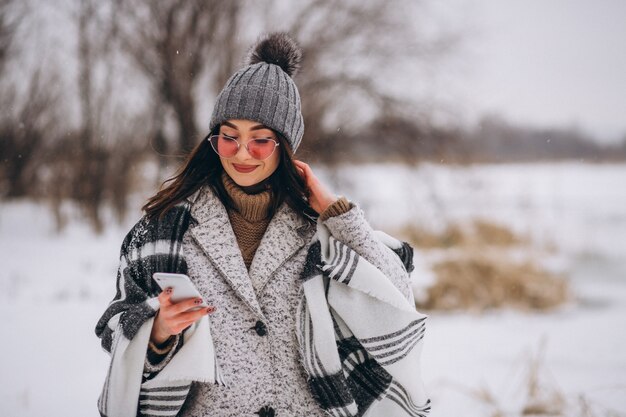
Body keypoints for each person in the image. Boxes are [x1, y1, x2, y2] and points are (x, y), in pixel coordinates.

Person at [95, 33, 429, 417]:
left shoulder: (320, 231)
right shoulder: (161, 231)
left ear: (284, 146)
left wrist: (340, 216)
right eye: (229, 137)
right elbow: (113, 325)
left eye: (260, 140)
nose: (241, 153)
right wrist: (154, 332)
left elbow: (397, 301)